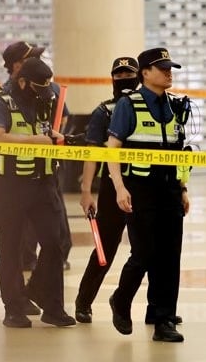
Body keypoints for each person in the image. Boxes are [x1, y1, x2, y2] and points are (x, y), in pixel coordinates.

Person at [76, 57, 182, 326]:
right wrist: (87, 190)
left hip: (148, 187)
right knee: (106, 249)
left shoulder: (161, 106)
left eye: (128, 72)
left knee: (148, 251)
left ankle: (156, 310)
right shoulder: (107, 110)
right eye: (118, 73)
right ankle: (84, 301)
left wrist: (181, 187)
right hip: (114, 186)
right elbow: (94, 154)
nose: (123, 77)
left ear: (139, 75)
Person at [0, 57, 76, 328]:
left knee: (54, 243)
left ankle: (51, 305)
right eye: (38, 86)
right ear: (22, 81)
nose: (44, 92)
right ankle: (13, 307)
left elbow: (46, 130)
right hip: (11, 185)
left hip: (44, 184)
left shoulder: (43, 98)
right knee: (10, 248)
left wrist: (61, 139)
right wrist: (35, 141)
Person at [107, 48, 191, 342]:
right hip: (139, 189)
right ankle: (121, 300)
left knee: (170, 257)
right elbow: (112, 149)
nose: (169, 73)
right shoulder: (128, 105)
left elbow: (182, 152)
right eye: (163, 68)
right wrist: (119, 186)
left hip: (169, 190)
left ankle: (164, 318)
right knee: (143, 254)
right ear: (145, 73)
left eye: (170, 68)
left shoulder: (177, 106)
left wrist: (182, 188)